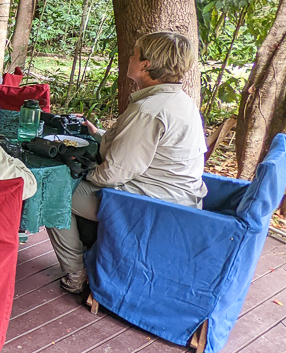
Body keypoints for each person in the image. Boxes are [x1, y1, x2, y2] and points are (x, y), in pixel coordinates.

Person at [46, 31, 206, 294]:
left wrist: (82, 174)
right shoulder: (178, 100)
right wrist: (98, 135)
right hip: (178, 199)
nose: (128, 58)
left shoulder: (149, 110)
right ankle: (89, 257)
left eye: (133, 54)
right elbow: (140, 151)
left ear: (145, 64)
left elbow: (113, 173)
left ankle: (76, 274)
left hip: (150, 205)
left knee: (52, 193)